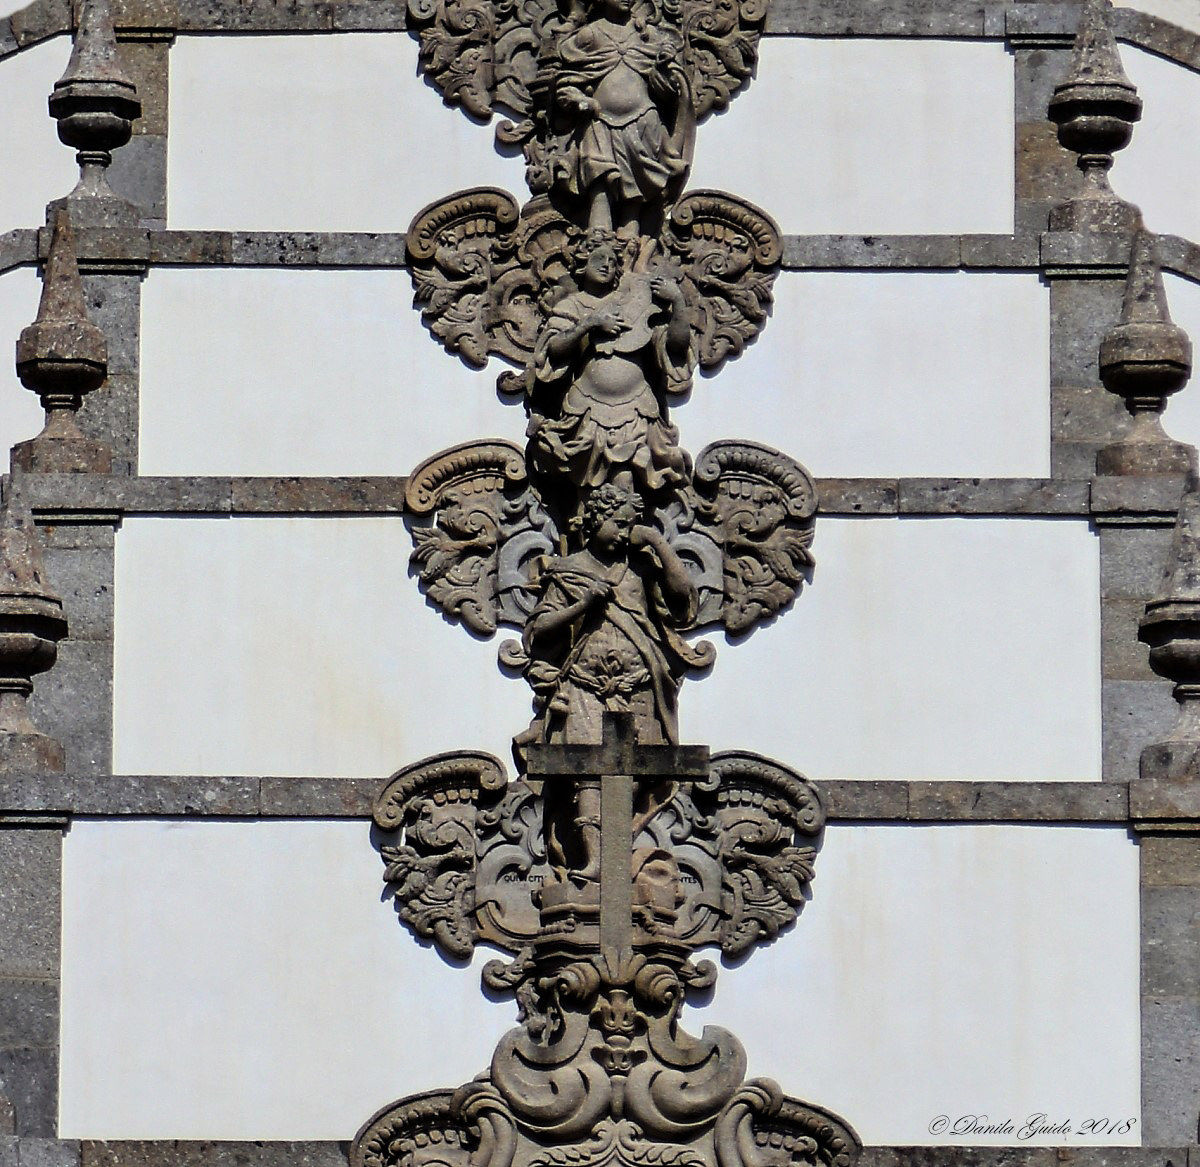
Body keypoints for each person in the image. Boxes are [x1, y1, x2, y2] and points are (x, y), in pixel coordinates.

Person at [528, 232, 692, 507]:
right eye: (599, 259)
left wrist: (677, 302)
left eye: (613, 261)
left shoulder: (636, 305)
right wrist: (590, 324)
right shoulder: (573, 304)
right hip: (586, 412)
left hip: (636, 411)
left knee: (626, 481)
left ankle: (625, 539)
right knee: (585, 491)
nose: (607, 265)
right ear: (582, 265)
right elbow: (552, 350)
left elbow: (675, 347)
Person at [552, 0, 690, 231]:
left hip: (644, 120)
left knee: (637, 178)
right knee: (598, 169)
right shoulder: (590, 35)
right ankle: (599, 230)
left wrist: (663, 68)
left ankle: (630, 233)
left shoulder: (646, 35)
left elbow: (665, 90)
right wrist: (580, 100)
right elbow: (566, 81)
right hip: (599, 120)